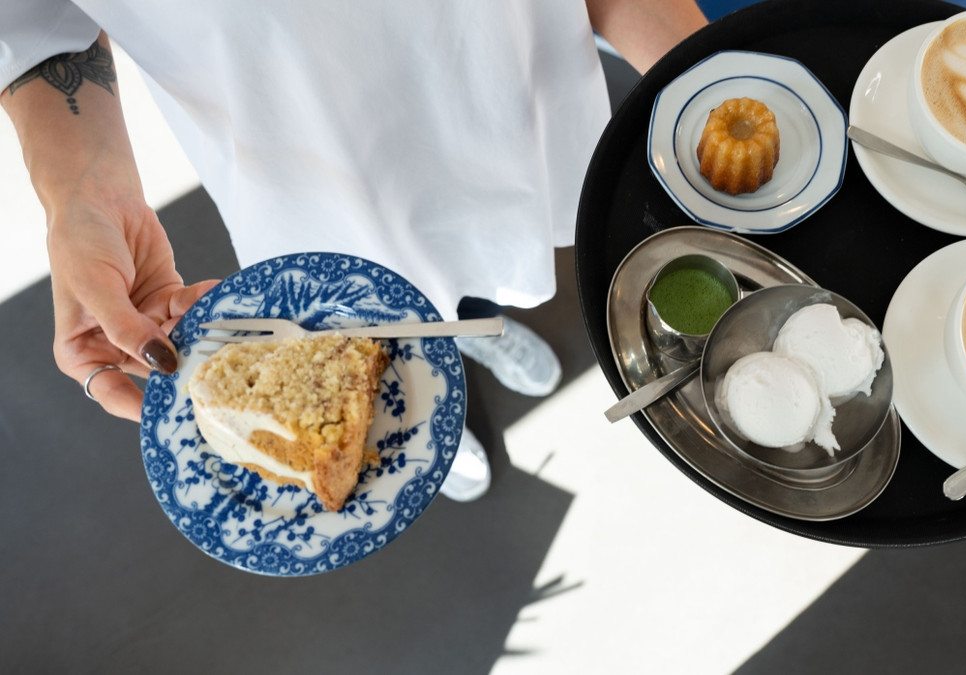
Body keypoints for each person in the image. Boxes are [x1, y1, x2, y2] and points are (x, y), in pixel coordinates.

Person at [0, 2, 708, 501]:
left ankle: (473, 334)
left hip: (495, 73)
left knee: (482, 253)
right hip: (297, 138)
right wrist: (83, 191)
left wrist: (710, 79)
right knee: (355, 332)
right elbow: (31, 23)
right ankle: (423, 413)